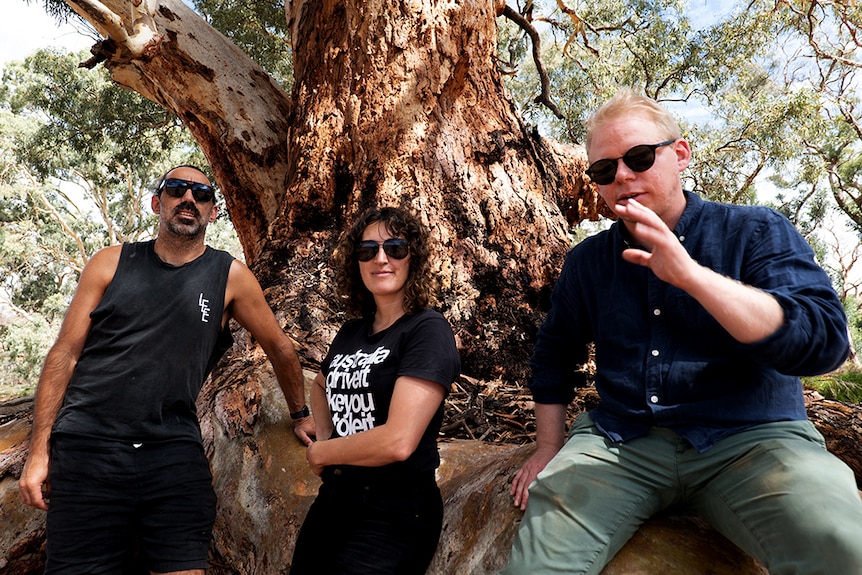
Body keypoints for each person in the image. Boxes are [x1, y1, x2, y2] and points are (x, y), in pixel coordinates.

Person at [503, 89, 862, 575]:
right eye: (605, 170)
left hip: (753, 441)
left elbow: (822, 342)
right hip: (622, 441)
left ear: (680, 154)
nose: (623, 177)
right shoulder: (588, 262)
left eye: (639, 157)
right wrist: (547, 448)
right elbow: (553, 355)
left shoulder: (754, 231)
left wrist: (692, 276)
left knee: (840, 544)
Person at [18, 165, 315, 575]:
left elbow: (280, 348)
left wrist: (300, 414)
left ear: (213, 212)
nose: (188, 199)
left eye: (202, 194)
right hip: (88, 448)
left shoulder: (229, 276)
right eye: (177, 189)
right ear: (158, 203)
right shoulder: (110, 263)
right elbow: (64, 354)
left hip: (172, 452)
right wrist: (38, 452)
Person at [289, 206, 461, 575]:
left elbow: (399, 441)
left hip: (395, 511)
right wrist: (327, 429)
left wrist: (325, 451)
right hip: (335, 500)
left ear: (413, 257)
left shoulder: (427, 331)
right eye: (367, 250)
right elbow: (321, 385)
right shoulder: (352, 332)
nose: (381, 258)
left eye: (395, 248)